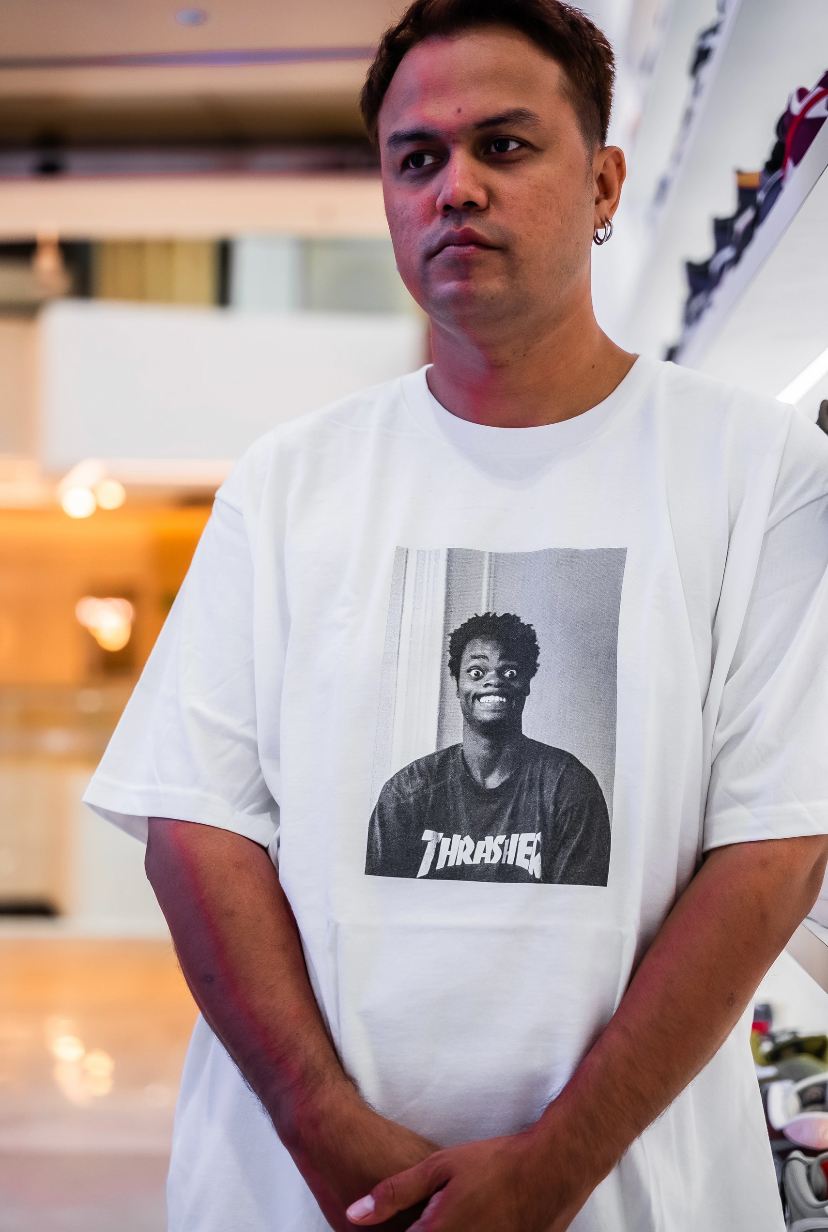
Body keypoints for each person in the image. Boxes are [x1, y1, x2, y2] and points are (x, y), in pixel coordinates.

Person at [83, 1, 828, 1229]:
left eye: (506, 145)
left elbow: (776, 846)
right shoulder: (290, 480)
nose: (456, 188)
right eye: (416, 158)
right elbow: (195, 827)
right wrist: (330, 1132)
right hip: (301, 1191)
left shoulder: (757, 469)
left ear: (603, 183)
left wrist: (555, 1165)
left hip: (627, 1192)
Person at [366, 611, 611, 883]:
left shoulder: (569, 786)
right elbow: (379, 901)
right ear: (457, 685)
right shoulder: (407, 791)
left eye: (509, 672)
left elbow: (578, 905)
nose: (494, 681)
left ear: (526, 684)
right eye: (476, 672)